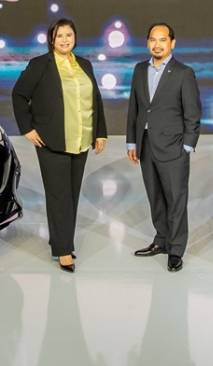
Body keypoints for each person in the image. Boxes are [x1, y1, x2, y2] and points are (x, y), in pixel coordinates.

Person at [12, 18, 107, 271]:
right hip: (52, 141)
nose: (65, 39)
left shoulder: (84, 65)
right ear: (51, 39)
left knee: (72, 195)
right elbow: (19, 95)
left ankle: (60, 240)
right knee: (59, 196)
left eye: (69, 35)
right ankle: (64, 250)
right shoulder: (40, 65)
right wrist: (27, 128)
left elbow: (95, 99)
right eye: (60, 35)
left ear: (75, 37)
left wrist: (101, 132)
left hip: (81, 140)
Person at [126, 22, 201, 272]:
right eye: (152, 40)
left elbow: (192, 113)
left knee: (176, 200)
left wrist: (187, 147)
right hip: (146, 145)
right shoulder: (139, 70)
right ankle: (161, 240)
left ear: (172, 43)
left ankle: (176, 249)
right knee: (155, 198)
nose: (157, 44)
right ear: (147, 42)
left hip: (174, 147)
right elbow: (135, 109)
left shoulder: (183, 72)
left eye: (162, 40)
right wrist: (131, 141)